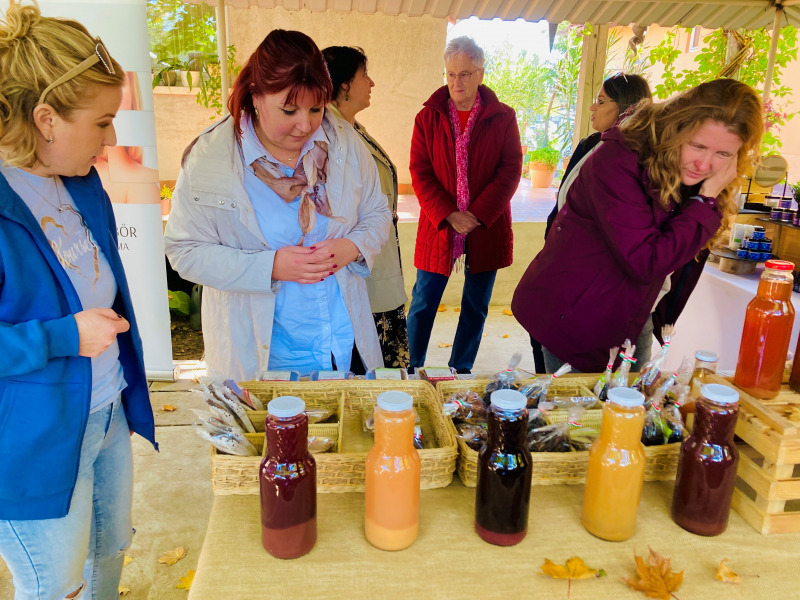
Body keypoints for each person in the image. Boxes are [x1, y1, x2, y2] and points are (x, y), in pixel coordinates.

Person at [0, 3, 157, 598]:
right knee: (55, 586)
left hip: (106, 407)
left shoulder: (82, 182)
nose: (112, 138)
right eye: (101, 122)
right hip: (32, 440)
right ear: (45, 118)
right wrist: (63, 336)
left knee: (108, 557)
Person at [164, 29, 391, 381]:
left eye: (316, 108)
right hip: (261, 357)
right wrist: (269, 266)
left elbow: (377, 212)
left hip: (340, 345)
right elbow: (184, 251)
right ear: (256, 96)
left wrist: (353, 246)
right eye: (289, 109)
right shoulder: (212, 159)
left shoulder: (343, 140)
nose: (305, 125)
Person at [512, 78, 764, 374]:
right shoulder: (619, 159)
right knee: (580, 417)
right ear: (677, 127)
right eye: (698, 146)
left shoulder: (686, 171)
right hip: (573, 317)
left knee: (627, 411)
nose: (704, 165)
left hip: (631, 312)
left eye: (723, 154)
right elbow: (647, 261)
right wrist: (706, 201)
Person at [407, 36, 521, 374]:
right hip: (438, 224)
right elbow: (420, 171)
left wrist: (476, 215)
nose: (458, 82)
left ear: (481, 74)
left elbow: (510, 169)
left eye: (466, 74)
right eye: (451, 74)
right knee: (423, 302)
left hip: (486, 226)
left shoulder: (503, 117)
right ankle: (412, 369)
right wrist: (448, 214)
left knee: (476, 305)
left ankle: (461, 369)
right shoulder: (427, 117)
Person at [530, 73, 651, 372]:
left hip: (602, 291)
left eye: (600, 101)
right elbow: (562, 205)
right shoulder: (590, 146)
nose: (592, 109)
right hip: (564, 273)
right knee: (546, 349)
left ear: (626, 108)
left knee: (605, 385)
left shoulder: (645, 159)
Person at [322, 45, 409, 368]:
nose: (371, 83)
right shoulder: (329, 134)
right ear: (345, 84)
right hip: (359, 268)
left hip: (374, 256)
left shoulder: (352, 128)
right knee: (366, 369)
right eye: (365, 75)